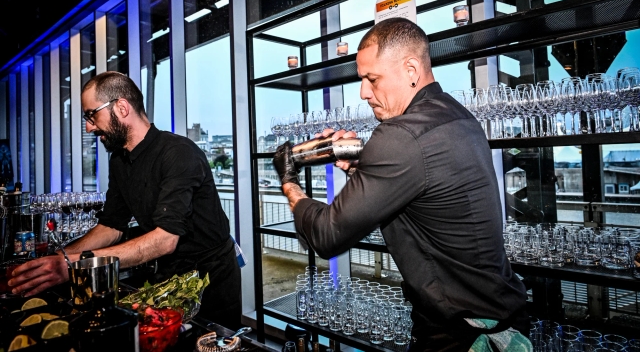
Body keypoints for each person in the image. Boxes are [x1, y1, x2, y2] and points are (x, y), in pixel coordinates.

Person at [273, 18, 529, 351]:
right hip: (499, 311)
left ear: (410, 69)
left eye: (372, 79)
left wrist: (289, 179)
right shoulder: (457, 115)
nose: (364, 92)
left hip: (463, 333)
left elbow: (326, 236)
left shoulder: (400, 135)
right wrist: (358, 168)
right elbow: (420, 189)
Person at [9, 71, 241, 329]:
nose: (89, 126)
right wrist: (57, 257)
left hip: (209, 281)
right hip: (166, 278)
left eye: (91, 115)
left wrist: (74, 264)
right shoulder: (119, 160)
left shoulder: (178, 153)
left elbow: (165, 239)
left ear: (121, 107)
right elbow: (111, 226)